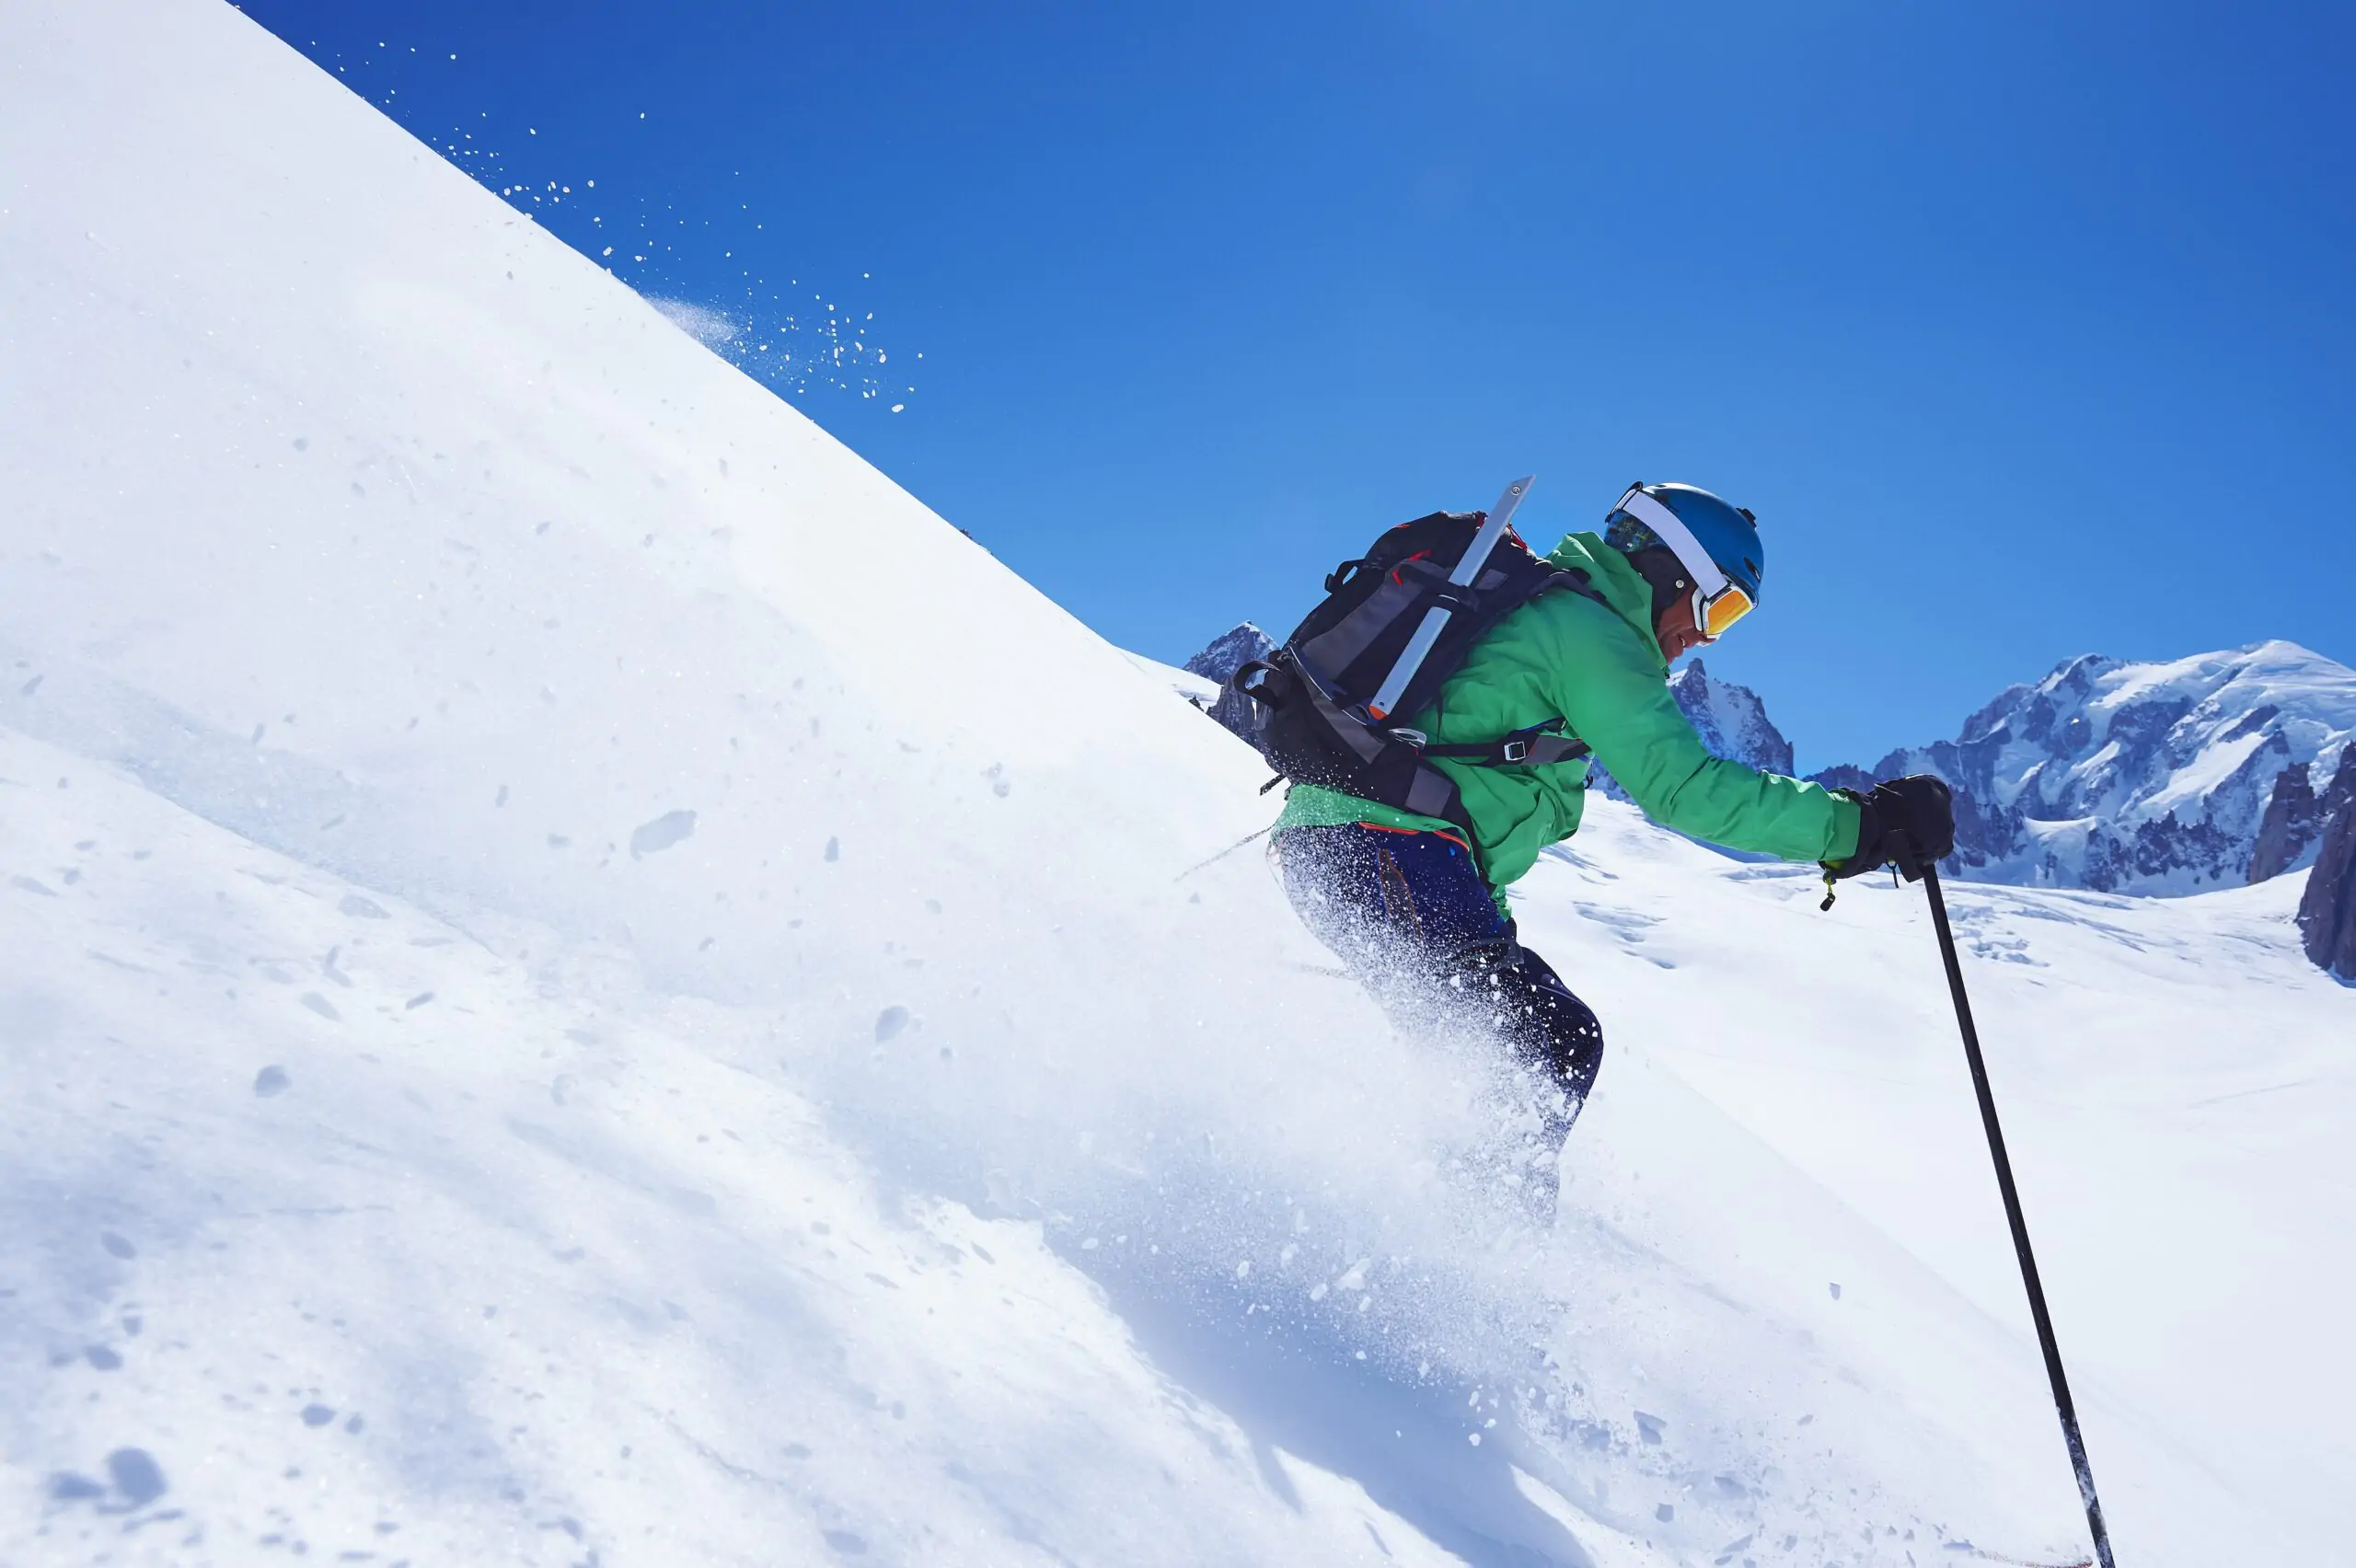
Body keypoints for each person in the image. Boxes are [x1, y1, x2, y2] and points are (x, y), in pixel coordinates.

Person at [1267, 481, 1953, 1213]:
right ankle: (1469, 1260)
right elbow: (1684, 787)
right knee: (1543, 1043)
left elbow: (1469, 804)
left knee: (1497, 1051)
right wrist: (1858, 827)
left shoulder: (1560, 616)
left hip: (1364, 850)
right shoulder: (1591, 633)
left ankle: (1425, 1239)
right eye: (1716, 606)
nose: (1709, 635)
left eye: (1733, 618)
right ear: (1668, 571)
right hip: (1382, 850)